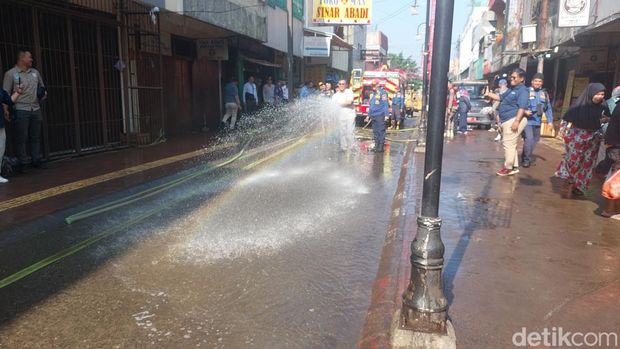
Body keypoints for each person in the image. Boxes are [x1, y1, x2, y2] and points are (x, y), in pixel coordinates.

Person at [556, 83, 609, 199]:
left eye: (602, 94)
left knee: (587, 163)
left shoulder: (603, 105)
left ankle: (578, 186)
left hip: (594, 138)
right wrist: (562, 132)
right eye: (597, 94)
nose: (600, 96)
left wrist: (605, 121)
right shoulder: (578, 105)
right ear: (590, 93)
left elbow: (607, 119)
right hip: (576, 136)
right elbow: (566, 119)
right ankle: (568, 182)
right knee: (573, 161)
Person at [3, 50, 47, 172]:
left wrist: (43, 93)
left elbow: (42, 87)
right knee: (21, 137)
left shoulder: (35, 73)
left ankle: (36, 160)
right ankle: (23, 163)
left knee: (36, 136)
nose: (32, 59)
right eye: (30, 57)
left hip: (35, 108)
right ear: (22, 59)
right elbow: (5, 94)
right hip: (20, 109)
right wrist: (6, 109)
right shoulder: (10, 74)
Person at [484, 68, 529, 176]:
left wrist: (517, 121)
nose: (511, 79)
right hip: (507, 120)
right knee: (511, 144)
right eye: (511, 77)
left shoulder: (523, 90)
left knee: (508, 144)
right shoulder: (512, 89)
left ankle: (508, 167)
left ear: (521, 79)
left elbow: (522, 107)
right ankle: (514, 167)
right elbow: (500, 97)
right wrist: (488, 94)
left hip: (513, 119)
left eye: (514, 77)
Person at [521, 73, 554, 167]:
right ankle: (527, 160)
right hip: (527, 120)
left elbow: (548, 108)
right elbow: (519, 105)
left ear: (542, 83)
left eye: (539, 81)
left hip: (537, 121)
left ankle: (525, 155)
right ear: (532, 81)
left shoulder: (544, 93)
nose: (537, 83)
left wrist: (550, 121)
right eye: (535, 81)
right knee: (529, 139)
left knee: (535, 140)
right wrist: (525, 111)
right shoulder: (525, 91)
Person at [602, 88, 620, 217]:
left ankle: (612, 208)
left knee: (615, 177)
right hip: (617, 147)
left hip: (614, 145)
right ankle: (609, 209)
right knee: (616, 179)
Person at [1, 86, 21, 183]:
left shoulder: (1, 91)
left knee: (1, 150)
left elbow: (9, 101)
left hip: (0, 125)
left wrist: (17, 92)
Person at [365, 80, 389, 152]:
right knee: (375, 132)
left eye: (375, 85)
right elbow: (371, 106)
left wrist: (386, 115)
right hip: (374, 115)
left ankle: (380, 147)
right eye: (372, 85)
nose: (373, 87)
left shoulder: (383, 93)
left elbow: (385, 104)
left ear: (378, 85)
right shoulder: (373, 94)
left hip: (380, 115)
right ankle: (376, 146)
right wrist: (368, 116)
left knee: (380, 131)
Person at [332, 80, 355, 151]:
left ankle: (351, 147)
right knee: (342, 133)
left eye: (343, 84)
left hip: (350, 115)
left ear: (346, 85)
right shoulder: (335, 95)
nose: (341, 85)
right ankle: (343, 147)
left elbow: (349, 102)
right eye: (340, 84)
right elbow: (332, 106)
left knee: (350, 132)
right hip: (340, 116)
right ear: (338, 85)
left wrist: (338, 104)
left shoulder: (349, 92)